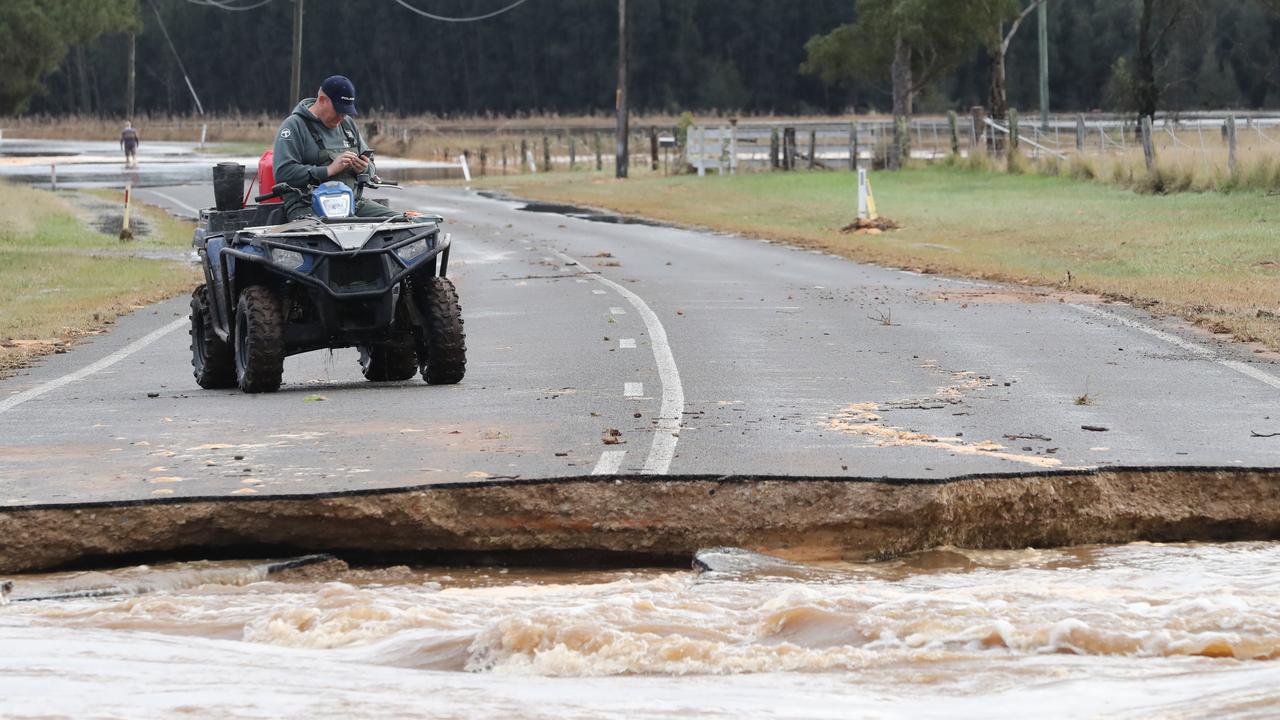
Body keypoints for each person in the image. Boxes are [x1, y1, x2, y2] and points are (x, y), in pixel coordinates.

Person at [272, 75, 394, 221]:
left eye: (346, 112)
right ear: (322, 100)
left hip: (352, 203)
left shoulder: (348, 125)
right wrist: (328, 170)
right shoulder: (294, 126)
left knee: (400, 223)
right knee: (346, 228)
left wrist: (363, 168)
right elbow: (283, 173)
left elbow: (371, 167)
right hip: (307, 206)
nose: (342, 117)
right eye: (338, 110)